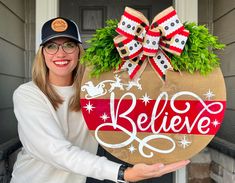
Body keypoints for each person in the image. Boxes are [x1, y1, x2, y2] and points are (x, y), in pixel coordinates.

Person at [10, 17, 190, 183]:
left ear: (79, 52)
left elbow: (135, 105)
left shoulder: (93, 91)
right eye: (51, 46)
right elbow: (56, 151)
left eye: (69, 45)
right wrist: (123, 173)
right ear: (42, 54)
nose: (60, 53)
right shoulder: (28, 94)